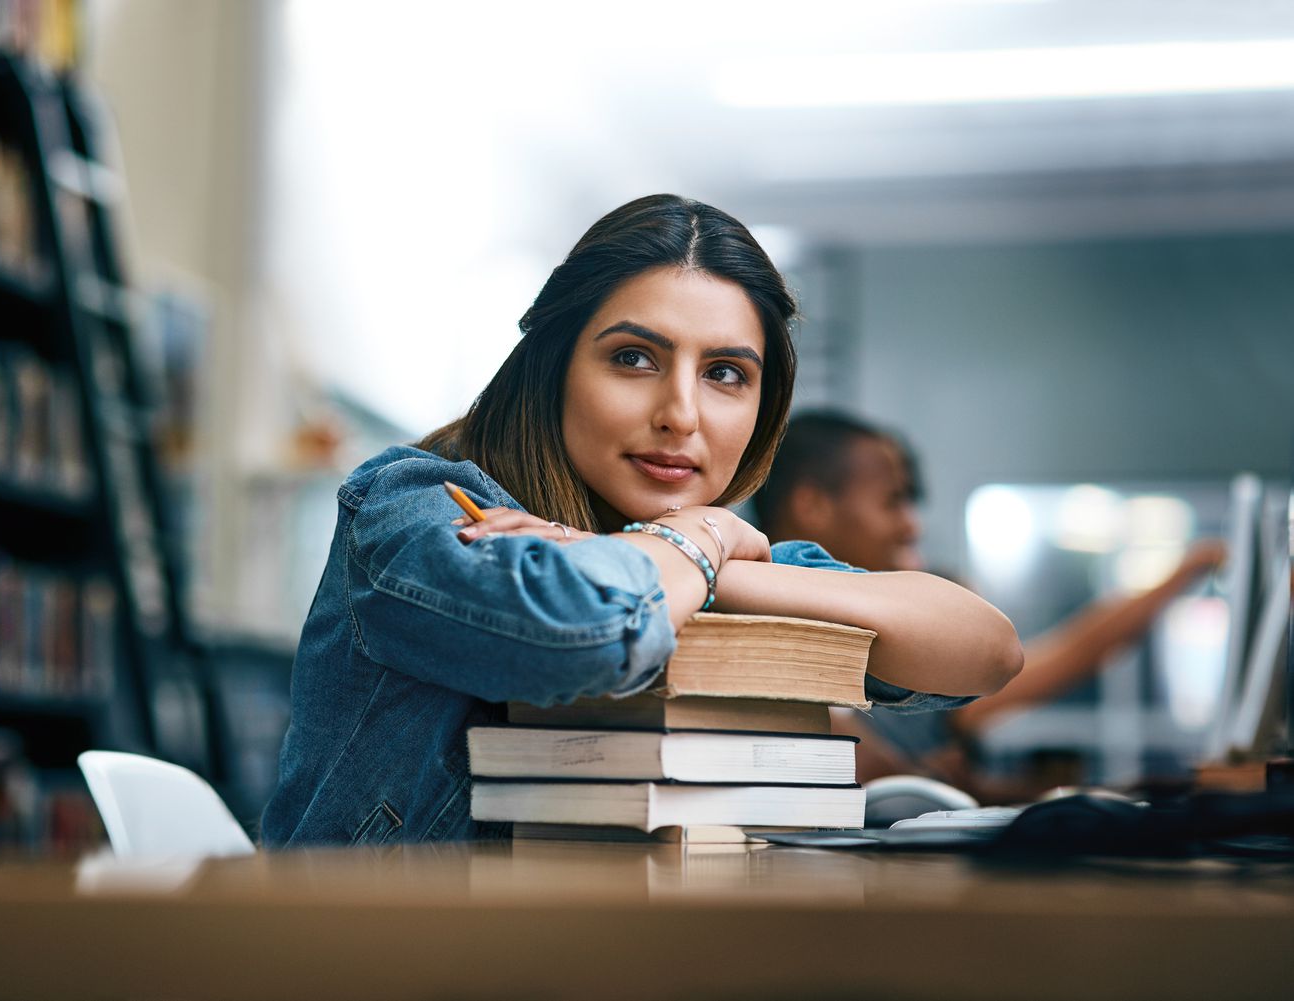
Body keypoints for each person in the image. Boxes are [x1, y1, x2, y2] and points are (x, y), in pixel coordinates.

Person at [260, 196, 1023, 846]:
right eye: (633, 358)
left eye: (726, 374)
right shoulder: (413, 505)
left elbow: (984, 650)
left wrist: (706, 559)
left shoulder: (710, 562)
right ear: (554, 364)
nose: (681, 414)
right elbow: (586, 628)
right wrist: (696, 538)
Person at [752, 409, 1225, 795]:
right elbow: (1069, 654)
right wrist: (1193, 566)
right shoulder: (759, 639)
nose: (912, 525)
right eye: (893, 502)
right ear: (813, 505)